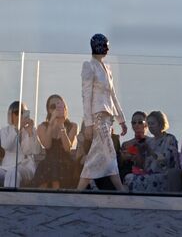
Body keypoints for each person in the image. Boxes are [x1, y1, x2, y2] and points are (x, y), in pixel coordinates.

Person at [77, 33, 128, 191]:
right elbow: (86, 96)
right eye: (104, 45)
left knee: (100, 154)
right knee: (109, 152)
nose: (107, 48)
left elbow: (113, 95)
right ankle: (119, 188)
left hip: (108, 118)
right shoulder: (89, 66)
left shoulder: (108, 68)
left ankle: (79, 189)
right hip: (97, 117)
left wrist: (121, 119)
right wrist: (89, 124)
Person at [125, 111, 181, 192]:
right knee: (128, 177)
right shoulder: (149, 141)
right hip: (148, 174)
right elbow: (142, 166)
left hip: (165, 175)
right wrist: (139, 153)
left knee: (135, 181)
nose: (150, 126)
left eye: (153, 123)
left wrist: (150, 151)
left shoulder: (170, 139)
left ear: (161, 124)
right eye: (149, 124)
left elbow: (167, 162)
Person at [33, 95, 78, 189]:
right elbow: (47, 145)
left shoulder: (72, 126)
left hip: (65, 163)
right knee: (49, 166)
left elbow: (67, 148)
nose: (56, 109)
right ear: (48, 110)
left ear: (64, 107)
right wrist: (51, 124)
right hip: (48, 163)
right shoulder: (42, 127)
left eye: (58, 106)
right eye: (53, 107)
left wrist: (62, 126)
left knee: (55, 167)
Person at [0, 101, 42, 187]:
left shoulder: (31, 129)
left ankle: (11, 199)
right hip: (6, 167)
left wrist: (30, 133)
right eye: (16, 112)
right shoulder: (5, 131)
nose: (19, 115)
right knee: (10, 172)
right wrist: (17, 129)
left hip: (25, 167)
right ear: (11, 115)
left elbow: (37, 151)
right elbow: (6, 146)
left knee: (13, 173)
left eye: (22, 112)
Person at [119, 111, 150, 180]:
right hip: (128, 173)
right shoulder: (126, 144)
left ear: (146, 124)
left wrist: (132, 154)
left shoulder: (151, 142)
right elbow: (120, 162)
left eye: (140, 122)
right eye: (134, 123)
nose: (136, 125)